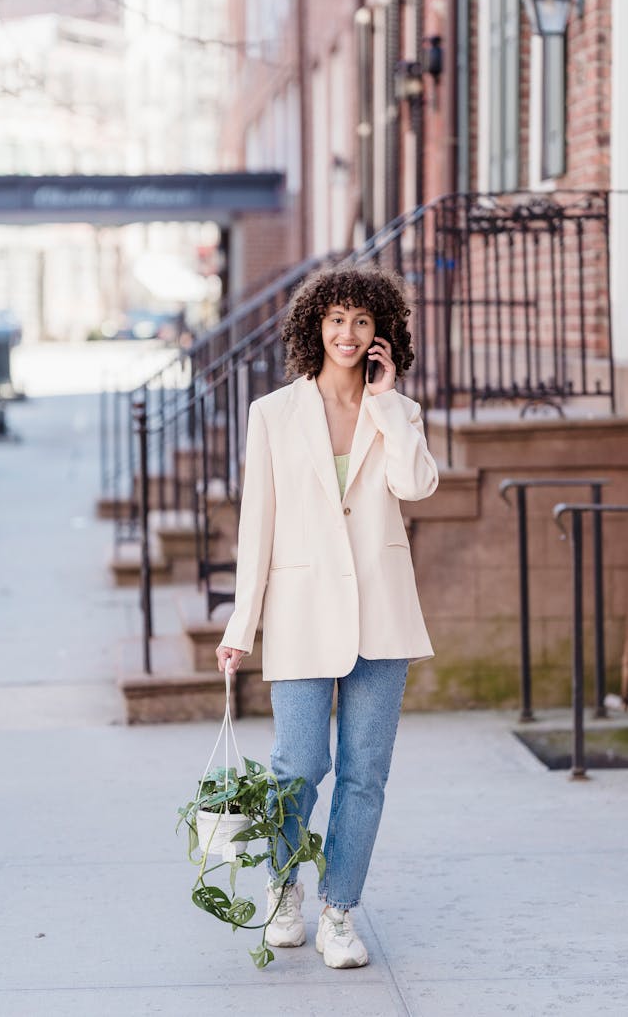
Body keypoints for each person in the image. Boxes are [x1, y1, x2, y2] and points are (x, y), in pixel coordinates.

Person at [216, 261, 438, 970]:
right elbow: (258, 527)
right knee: (296, 767)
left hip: (382, 614)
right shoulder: (273, 414)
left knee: (365, 772)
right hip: (301, 610)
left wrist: (386, 404)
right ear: (317, 325)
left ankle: (338, 912)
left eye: (362, 322)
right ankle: (286, 893)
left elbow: (417, 484)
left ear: (381, 335)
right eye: (336, 319)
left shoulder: (397, 412)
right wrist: (239, 626)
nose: (347, 332)